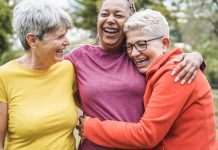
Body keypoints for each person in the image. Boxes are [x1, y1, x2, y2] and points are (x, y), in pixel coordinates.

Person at [65, 0, 205, 149]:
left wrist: (196, 57)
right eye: (104, 14)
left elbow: (169, 63)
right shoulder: (80, 57)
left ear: (129, 23)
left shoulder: (138, 55)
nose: (110, 20)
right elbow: (49, 72)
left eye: (118, 15)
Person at [0, 0, 78, 149]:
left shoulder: (67, 69)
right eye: (60, 37)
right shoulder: (4, 76)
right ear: (33, 40)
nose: (67, 42)